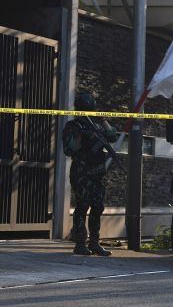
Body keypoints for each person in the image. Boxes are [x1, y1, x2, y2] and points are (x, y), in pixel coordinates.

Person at [62, 92, 118, 256]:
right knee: (83, 205)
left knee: (98, 206)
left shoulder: (96, 125)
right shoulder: (74, 126)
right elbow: (69, 149)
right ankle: (80, 243)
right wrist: (82, 139)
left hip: (97, 172)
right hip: (81, 171)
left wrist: (103, 120)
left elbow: (113, 137)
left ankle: (95, 243)